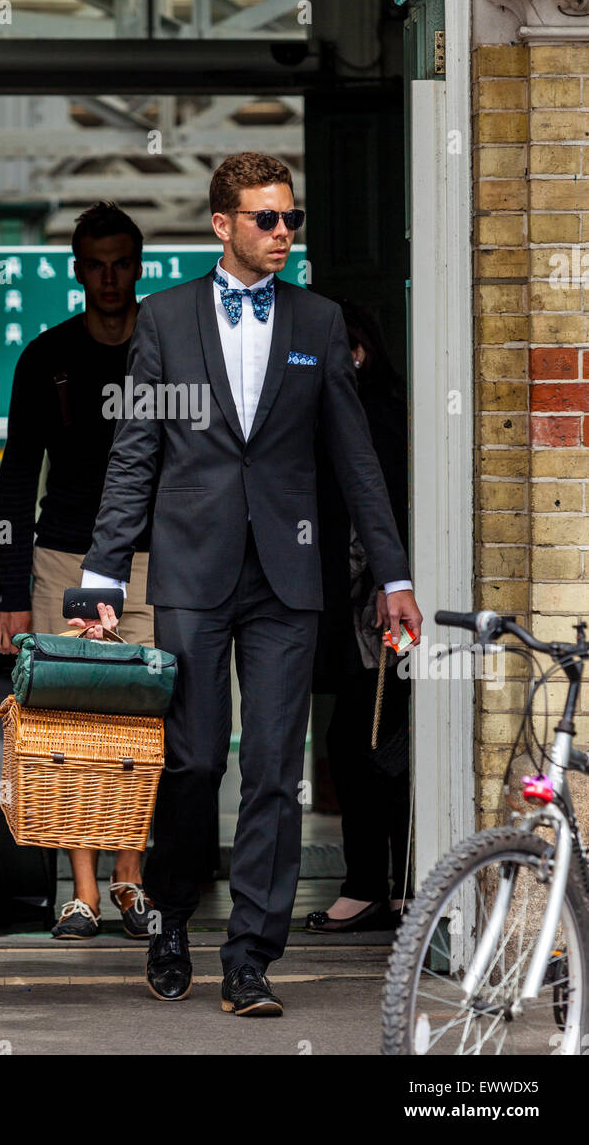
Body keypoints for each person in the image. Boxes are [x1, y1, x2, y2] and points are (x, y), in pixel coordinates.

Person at [80, 152, 422, 1016]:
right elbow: (135, 457)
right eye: (266, 219)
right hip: (192, 571)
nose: (282, 233)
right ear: (221, 225)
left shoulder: (318, 320)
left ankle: (249, 958)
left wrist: (394, 575)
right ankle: (170, 917)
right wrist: (100, 579)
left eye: (290, 219)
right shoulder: (163, 319)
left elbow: (357, 463)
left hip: (288, 576)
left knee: (273, 770)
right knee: (194, 764)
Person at [0, 203, 156, 940]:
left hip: (155, 558)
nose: (111, 277)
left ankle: (133, 882)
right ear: (77, 270)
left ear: (140, 265)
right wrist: (9, 593)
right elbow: (15, 477)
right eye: (96, 263)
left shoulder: (166, 348)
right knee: (69, 723)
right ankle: (82, 893)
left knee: (146, 723)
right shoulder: (44, 356)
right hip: (60, 551)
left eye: (122, 262)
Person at [306, 302, 413, 934]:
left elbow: (390, 504)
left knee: (367, 744)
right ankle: (389, 886)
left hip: (381, 609)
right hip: (356, 610)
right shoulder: (336, 414)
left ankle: (374, 885)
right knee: (372, 742)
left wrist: (384, 578)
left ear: (359, 352)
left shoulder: (377, 413)